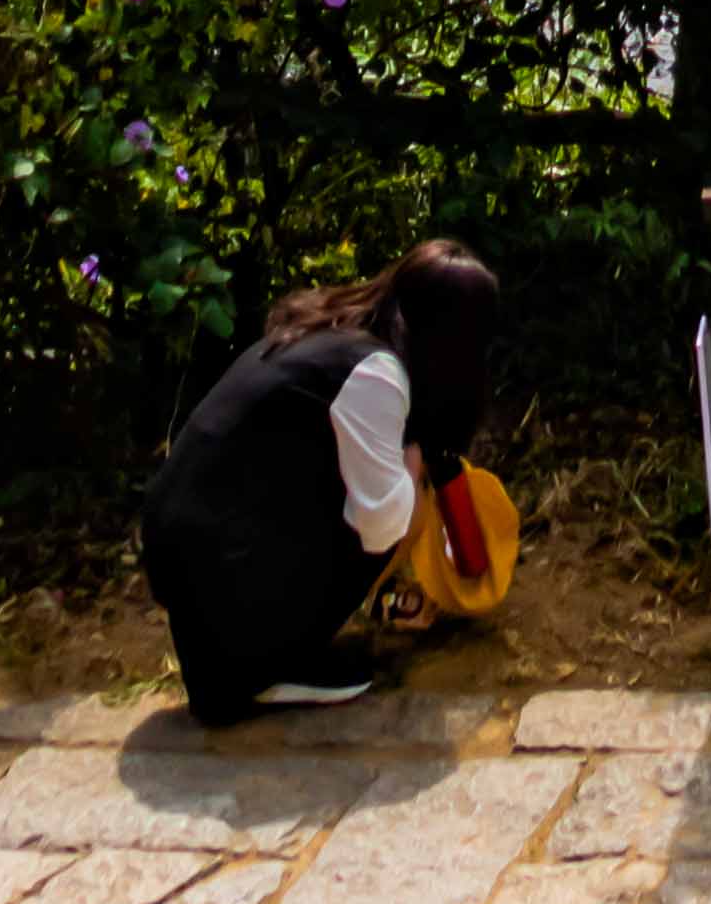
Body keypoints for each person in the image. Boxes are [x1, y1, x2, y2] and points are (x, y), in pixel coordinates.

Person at [139, 239, 503, 722]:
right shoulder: (377, 374)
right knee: (390, 504)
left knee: (370, 489)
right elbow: (380, 524)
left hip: (188, 553)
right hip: (220, 567)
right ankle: (261, 671)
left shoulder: (337, 332)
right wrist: (413, 466)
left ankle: (235, 662)